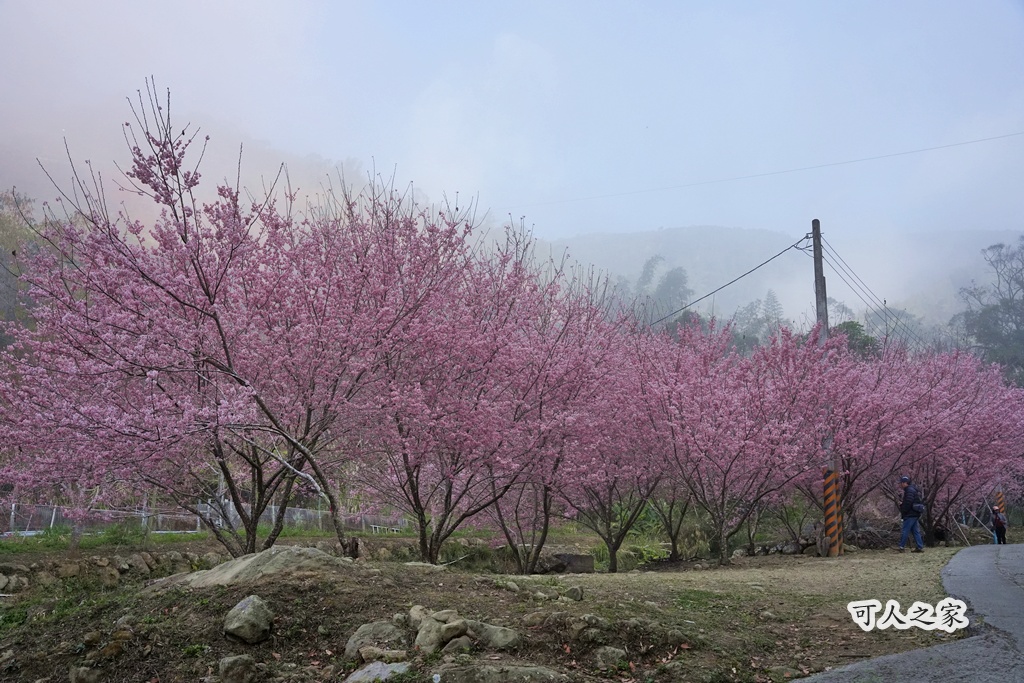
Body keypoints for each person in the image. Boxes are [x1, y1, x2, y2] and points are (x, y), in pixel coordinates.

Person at [897, 475, 924, 552]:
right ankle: (919, 546)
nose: (901, 485)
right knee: (915, 531)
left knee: (905, 530)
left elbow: (909, 502)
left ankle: (901, 547)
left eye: (901, 483)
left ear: (905, 483)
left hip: (910, 514)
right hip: (915, 513)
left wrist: (903, 508)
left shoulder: (909, 490)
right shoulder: (913, 489)